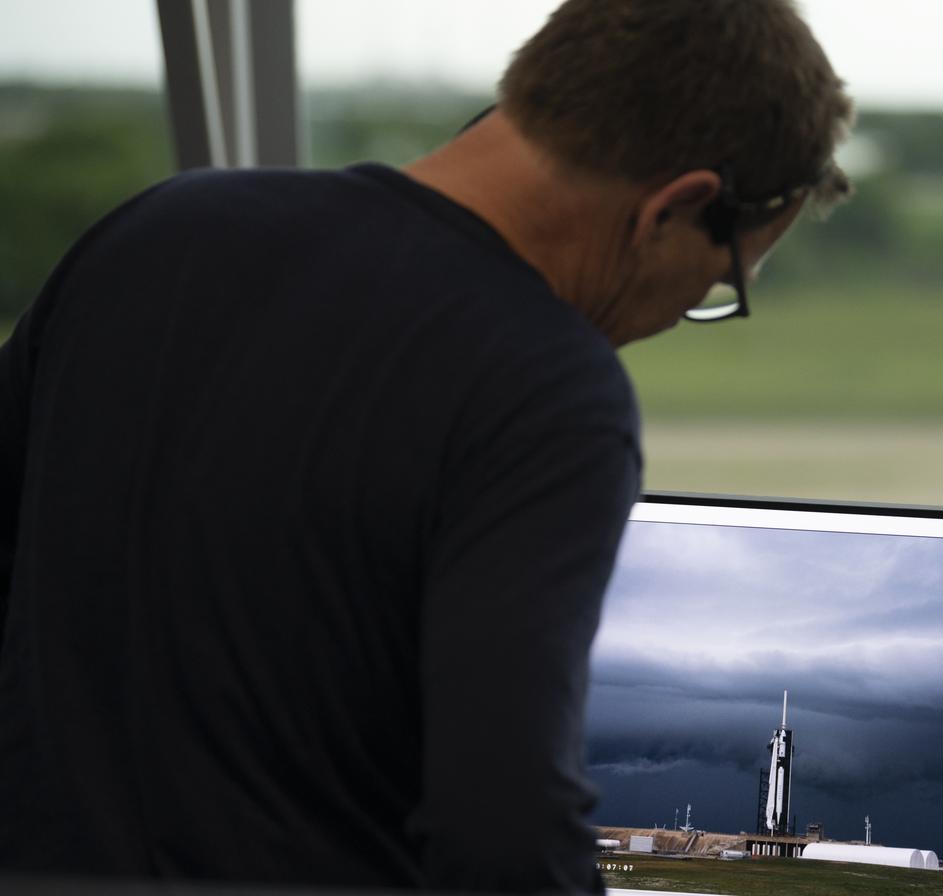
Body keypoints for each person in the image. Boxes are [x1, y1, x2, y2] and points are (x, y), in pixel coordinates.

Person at [0, 0, 852, 891]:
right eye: (718, 282)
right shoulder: (545, 392)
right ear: (677, 206)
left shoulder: (159, 229)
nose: (681, 317)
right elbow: (503, 827)